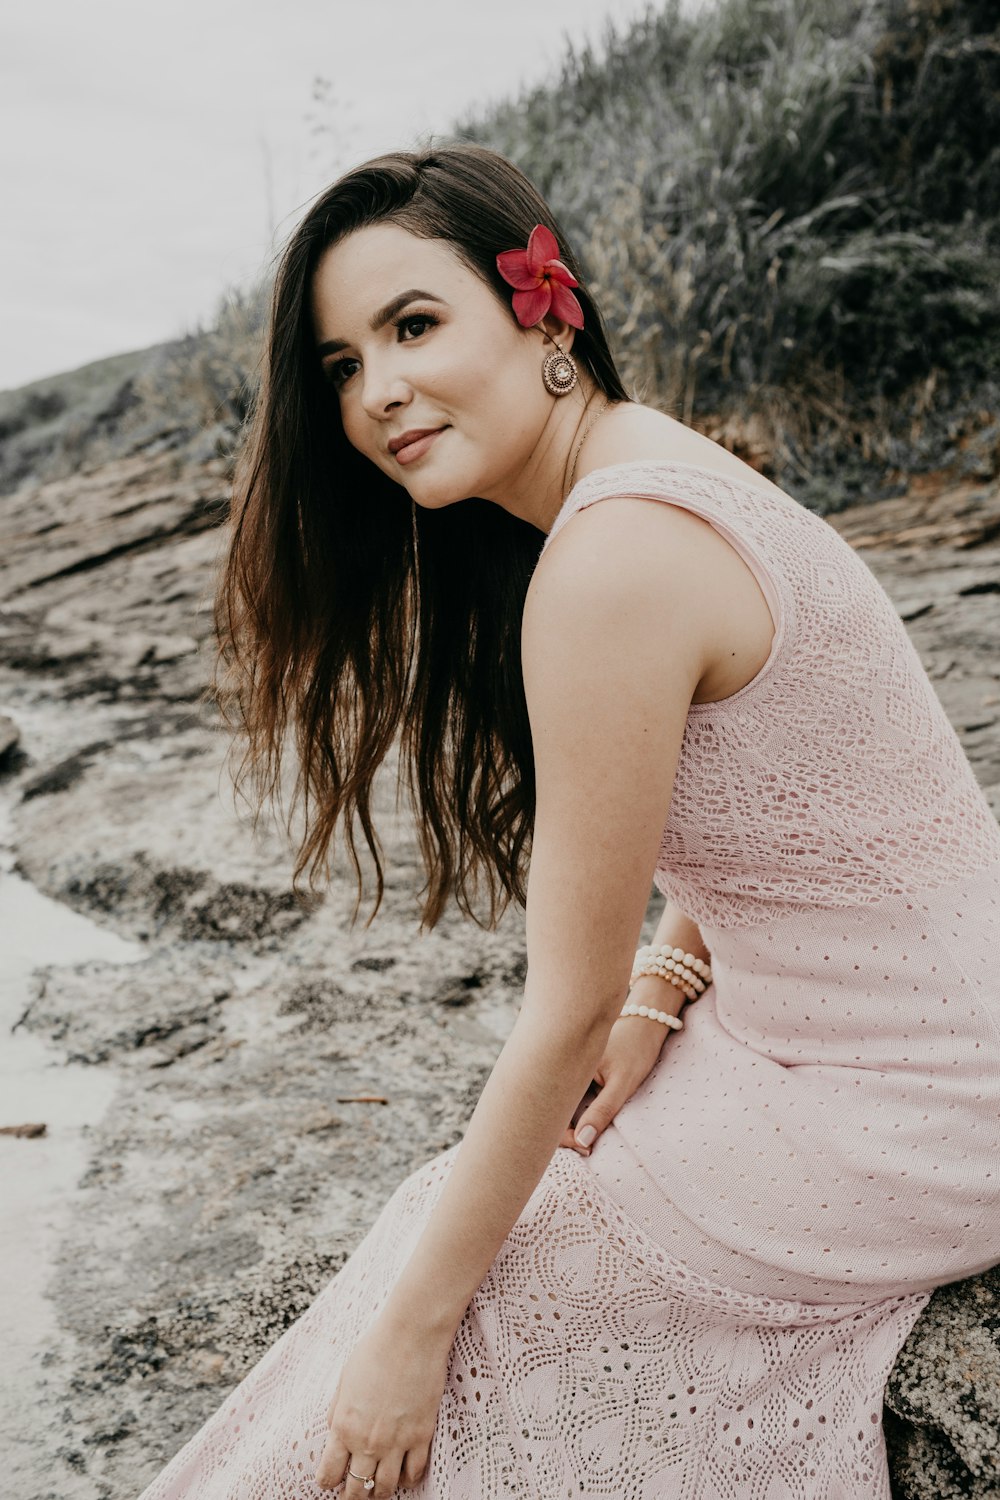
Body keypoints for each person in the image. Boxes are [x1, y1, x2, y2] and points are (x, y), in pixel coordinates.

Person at [135, 143, 1000, 1500]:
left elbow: (563, 1013)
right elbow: (791, 794)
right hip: (888, 1038)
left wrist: (411, 1342)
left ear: (544, 305)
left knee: (461, 1310)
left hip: (925, 1096)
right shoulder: (647, 483)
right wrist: (668, 982)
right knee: (460, 1225)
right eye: (343, 366)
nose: (380, 392)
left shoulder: (613, 559)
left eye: (413, 325)